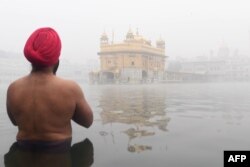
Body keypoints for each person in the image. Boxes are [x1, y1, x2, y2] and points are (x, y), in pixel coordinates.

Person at [6, 27, 93, 148]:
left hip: (22, 153)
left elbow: (15, 122)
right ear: (56, 58)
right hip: (58, 154)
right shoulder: (70, 88)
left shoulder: (13, 88)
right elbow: (87, 122)